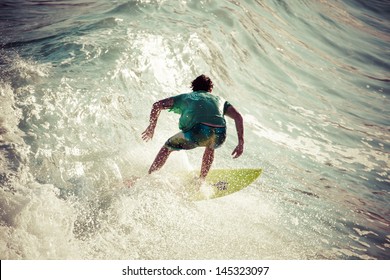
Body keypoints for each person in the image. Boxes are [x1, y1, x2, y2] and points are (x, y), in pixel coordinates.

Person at [141, 74, 244, 179]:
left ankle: (148, 176)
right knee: (211, 146)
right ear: (210, 89)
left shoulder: (187, 97)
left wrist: (151, 127)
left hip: (197, 133)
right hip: (220, 135)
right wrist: (241, 142)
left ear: (193, 87)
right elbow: (238, 117)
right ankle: (202, 180)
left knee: (167, 147)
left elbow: (157, 105)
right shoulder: (220, 100)